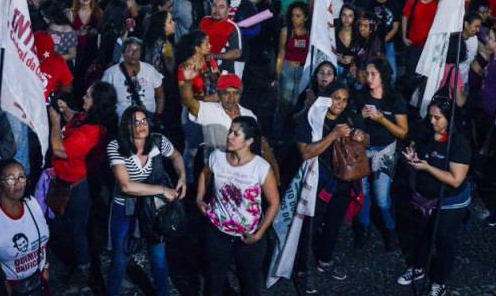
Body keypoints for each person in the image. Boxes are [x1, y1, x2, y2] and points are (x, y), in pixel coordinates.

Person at [106, 106, 186, 296]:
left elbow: (176, 156)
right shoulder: (116, 146)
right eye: (136, 122)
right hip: (125, 208)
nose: (142, 126)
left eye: (144, 121)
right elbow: (126, 186)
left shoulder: (158, 141)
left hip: (152, 209)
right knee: (121, 257)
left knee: (158, 258)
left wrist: (182, 176)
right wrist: (162, 190)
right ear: (126, 126)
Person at [395, 96, 471, 296]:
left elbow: (456, 179)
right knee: (421, 235)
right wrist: (412, 152)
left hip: (449, 200)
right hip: (423, 195)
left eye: (438, 118)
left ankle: (439, 281)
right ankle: (418, 267)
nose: (432, 121)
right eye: (431, 116)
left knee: (444, 241)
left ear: (450, 118)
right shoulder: (425, 130)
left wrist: (427, 167)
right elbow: (412, 141)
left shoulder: (459, 143)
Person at [294, 80, 368, 283]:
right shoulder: (311, 120)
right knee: (310, 225)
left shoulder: (351, 118)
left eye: (344, 100)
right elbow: (306, 152)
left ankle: (325, 260)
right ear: (327, 98)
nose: (340, 104)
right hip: (319, 182)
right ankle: (300, 267)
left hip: (344, 182)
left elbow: (366, 141)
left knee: (334, 224)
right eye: (336, 99)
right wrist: (333, 135)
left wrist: (362, 137)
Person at [197, 116, 279, 296]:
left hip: (247, 237)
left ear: (249, 141)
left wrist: (259, 234)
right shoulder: (217, 157)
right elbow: (205, 174)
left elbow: (274, 203)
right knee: (214, 281)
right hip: (217, 232)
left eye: (236, 134)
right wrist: (199, 198)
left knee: (249, 283)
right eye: (229, 132)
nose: (229, 137)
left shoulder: (261, 167)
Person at [48, 80, 118, 277]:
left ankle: (82, 266)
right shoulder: (87, 118)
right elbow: (75, 118)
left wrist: (54, 122)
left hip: (76, 187)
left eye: (88, 96)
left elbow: (58, 149)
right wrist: (65, 110)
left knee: (76, 229)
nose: (83, 98)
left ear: (96, 102)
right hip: (66, 182)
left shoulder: (91, 132)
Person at [354, 58, 408, 249]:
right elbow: (353, 123)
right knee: (363, 191)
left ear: (383, 75)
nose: (368, 78)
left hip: (384, 151)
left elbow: (402, 132)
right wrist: (360, 117)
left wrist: (381, 119)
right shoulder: (360, 96)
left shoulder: (394, 99)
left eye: (373, 74)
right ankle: (364, 227)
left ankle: (390, 228)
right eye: (367, 74)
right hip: (363, 150)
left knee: (382, 196)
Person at [0, 159, 50, 296]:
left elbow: (44, 238)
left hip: (39, 281)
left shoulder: (32, 203)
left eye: (21, 177)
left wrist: (45, 266)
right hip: (11, 289)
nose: (18, 183)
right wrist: (2, 285)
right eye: (10, 179)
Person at [102, 36, 165, 119]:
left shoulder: (150, 70)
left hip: (148, 118)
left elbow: (160, 95)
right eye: (130, 50)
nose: (134, 54)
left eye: (137, 50)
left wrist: (158, 116)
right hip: (122, 120)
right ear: (123, 52)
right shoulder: (111, 73)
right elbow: (103, 100)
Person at [275, 1, 311, 113]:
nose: (294, 18)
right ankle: (278, 128)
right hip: (288, 69)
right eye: (292, 15)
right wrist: (277, 74)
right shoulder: (286, 32)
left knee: (298, 103)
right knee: (283, 104)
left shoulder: (310, 33)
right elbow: (281, 53)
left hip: (303, 70)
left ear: (305, 18)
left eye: (298, 16)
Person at [401, 0, 439, 76]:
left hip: (431, 46)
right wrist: (404, 36)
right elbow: (405, 17)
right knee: (412, 75)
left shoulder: (438, 4)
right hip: (414, 45)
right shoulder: (412, 1)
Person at [200, 0, 244, 78]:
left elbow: (237, 52)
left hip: (223, 72)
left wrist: (214, 56)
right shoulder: (204, 21)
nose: (216, 10)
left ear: (228, 10)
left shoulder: (233, 28)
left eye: (221, 7)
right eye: (214, 6)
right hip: (203, 69)